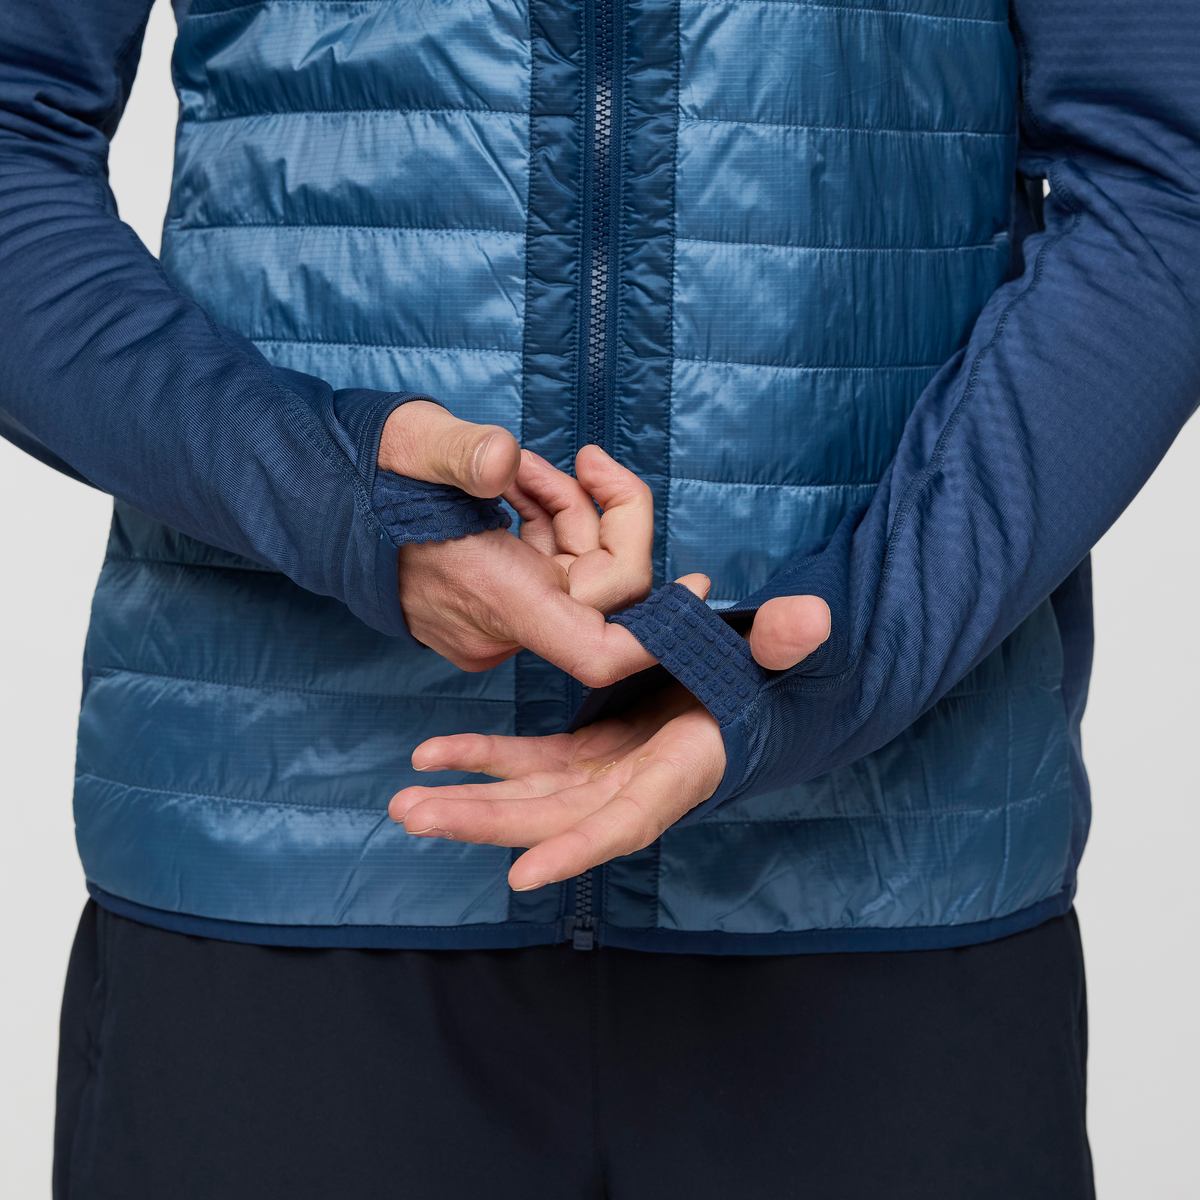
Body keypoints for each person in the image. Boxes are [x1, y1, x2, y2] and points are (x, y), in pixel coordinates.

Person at [2, 0, 1197, 1196]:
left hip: (888, 874)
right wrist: (332, 494)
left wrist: (851, 643)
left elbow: (1165, 181)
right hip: (277, 859)